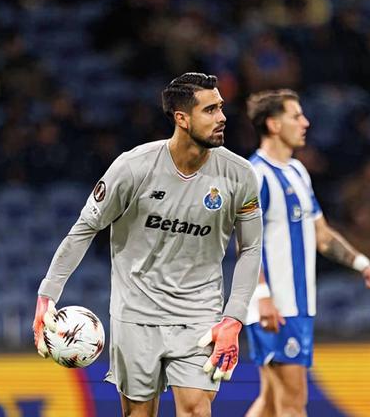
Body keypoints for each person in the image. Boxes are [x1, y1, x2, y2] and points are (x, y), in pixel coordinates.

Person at [32, 73, 263, 417]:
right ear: (182, 119)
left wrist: (233, 319)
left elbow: (251, 249)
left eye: (221, 108)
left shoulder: (239, 175)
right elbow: (85, 228)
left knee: (197, 410)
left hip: (198, 313)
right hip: (136, 313)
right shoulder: (133, 167)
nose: (222, 117)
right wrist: (47, 293)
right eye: (210, 110)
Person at [243, 90, 370, 417]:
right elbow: (245, 240)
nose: (305, 123)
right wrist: (263, 295)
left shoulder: (297, 171)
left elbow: (321, 235)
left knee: (269, 401)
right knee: (293, 404)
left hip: (297, 303)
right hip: (277, 305)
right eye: (296, 116)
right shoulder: (256, 174)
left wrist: (362, 264)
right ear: (274, 124)